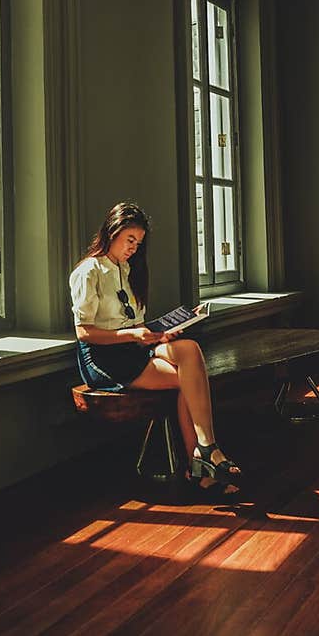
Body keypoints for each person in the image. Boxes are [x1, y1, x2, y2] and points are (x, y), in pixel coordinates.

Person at [69, 201, 242, 497]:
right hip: (104, 358)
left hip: (134, 348)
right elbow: (84, 332)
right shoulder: (89, 272)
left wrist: (159, 333)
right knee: (186, 382)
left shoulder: (127, 268)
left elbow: (132, 322)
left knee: (188, 348)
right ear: (112, 232)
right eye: (130, 240)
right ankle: (201, 464)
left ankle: (206, 448)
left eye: (138, 242)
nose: (134, 248)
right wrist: (134, 335)